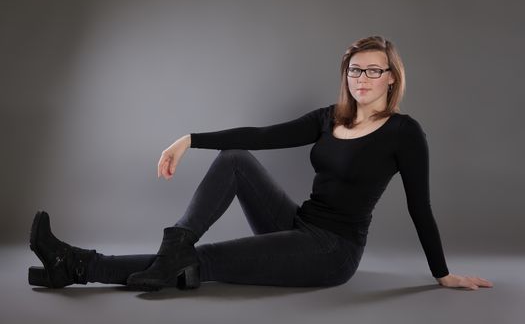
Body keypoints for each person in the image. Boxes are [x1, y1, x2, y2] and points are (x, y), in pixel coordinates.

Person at [28, 35, 493, 292]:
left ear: (391, 77)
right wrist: (189, 139)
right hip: (295, 225)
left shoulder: (404, 132)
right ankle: (168, 248)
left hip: (332, 252)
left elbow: (420, 207)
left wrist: (442, 273)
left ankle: (75, 265)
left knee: (202, 261)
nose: (362, 79)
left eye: (373, 70)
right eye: (354, 69)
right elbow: (262, 137)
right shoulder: (331, 118)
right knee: (235, 159)